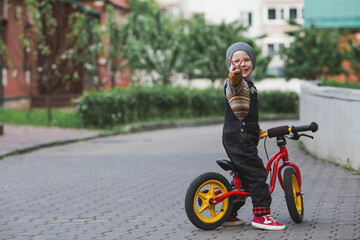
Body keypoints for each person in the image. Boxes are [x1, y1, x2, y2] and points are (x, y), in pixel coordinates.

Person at [221, 42, 286, 230]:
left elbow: (246, 113)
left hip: (242, 138)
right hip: (239, 139)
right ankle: (262, 215)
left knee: (243, 178)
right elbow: (234, 86)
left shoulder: (250, 85)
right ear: (230, 64)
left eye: (247, 60)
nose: (242, 64)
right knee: (258, 174)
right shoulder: (237, 82)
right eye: (237, 61)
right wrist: (234, 76)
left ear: (253, 62)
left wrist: (257, 131)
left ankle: (228, 213)